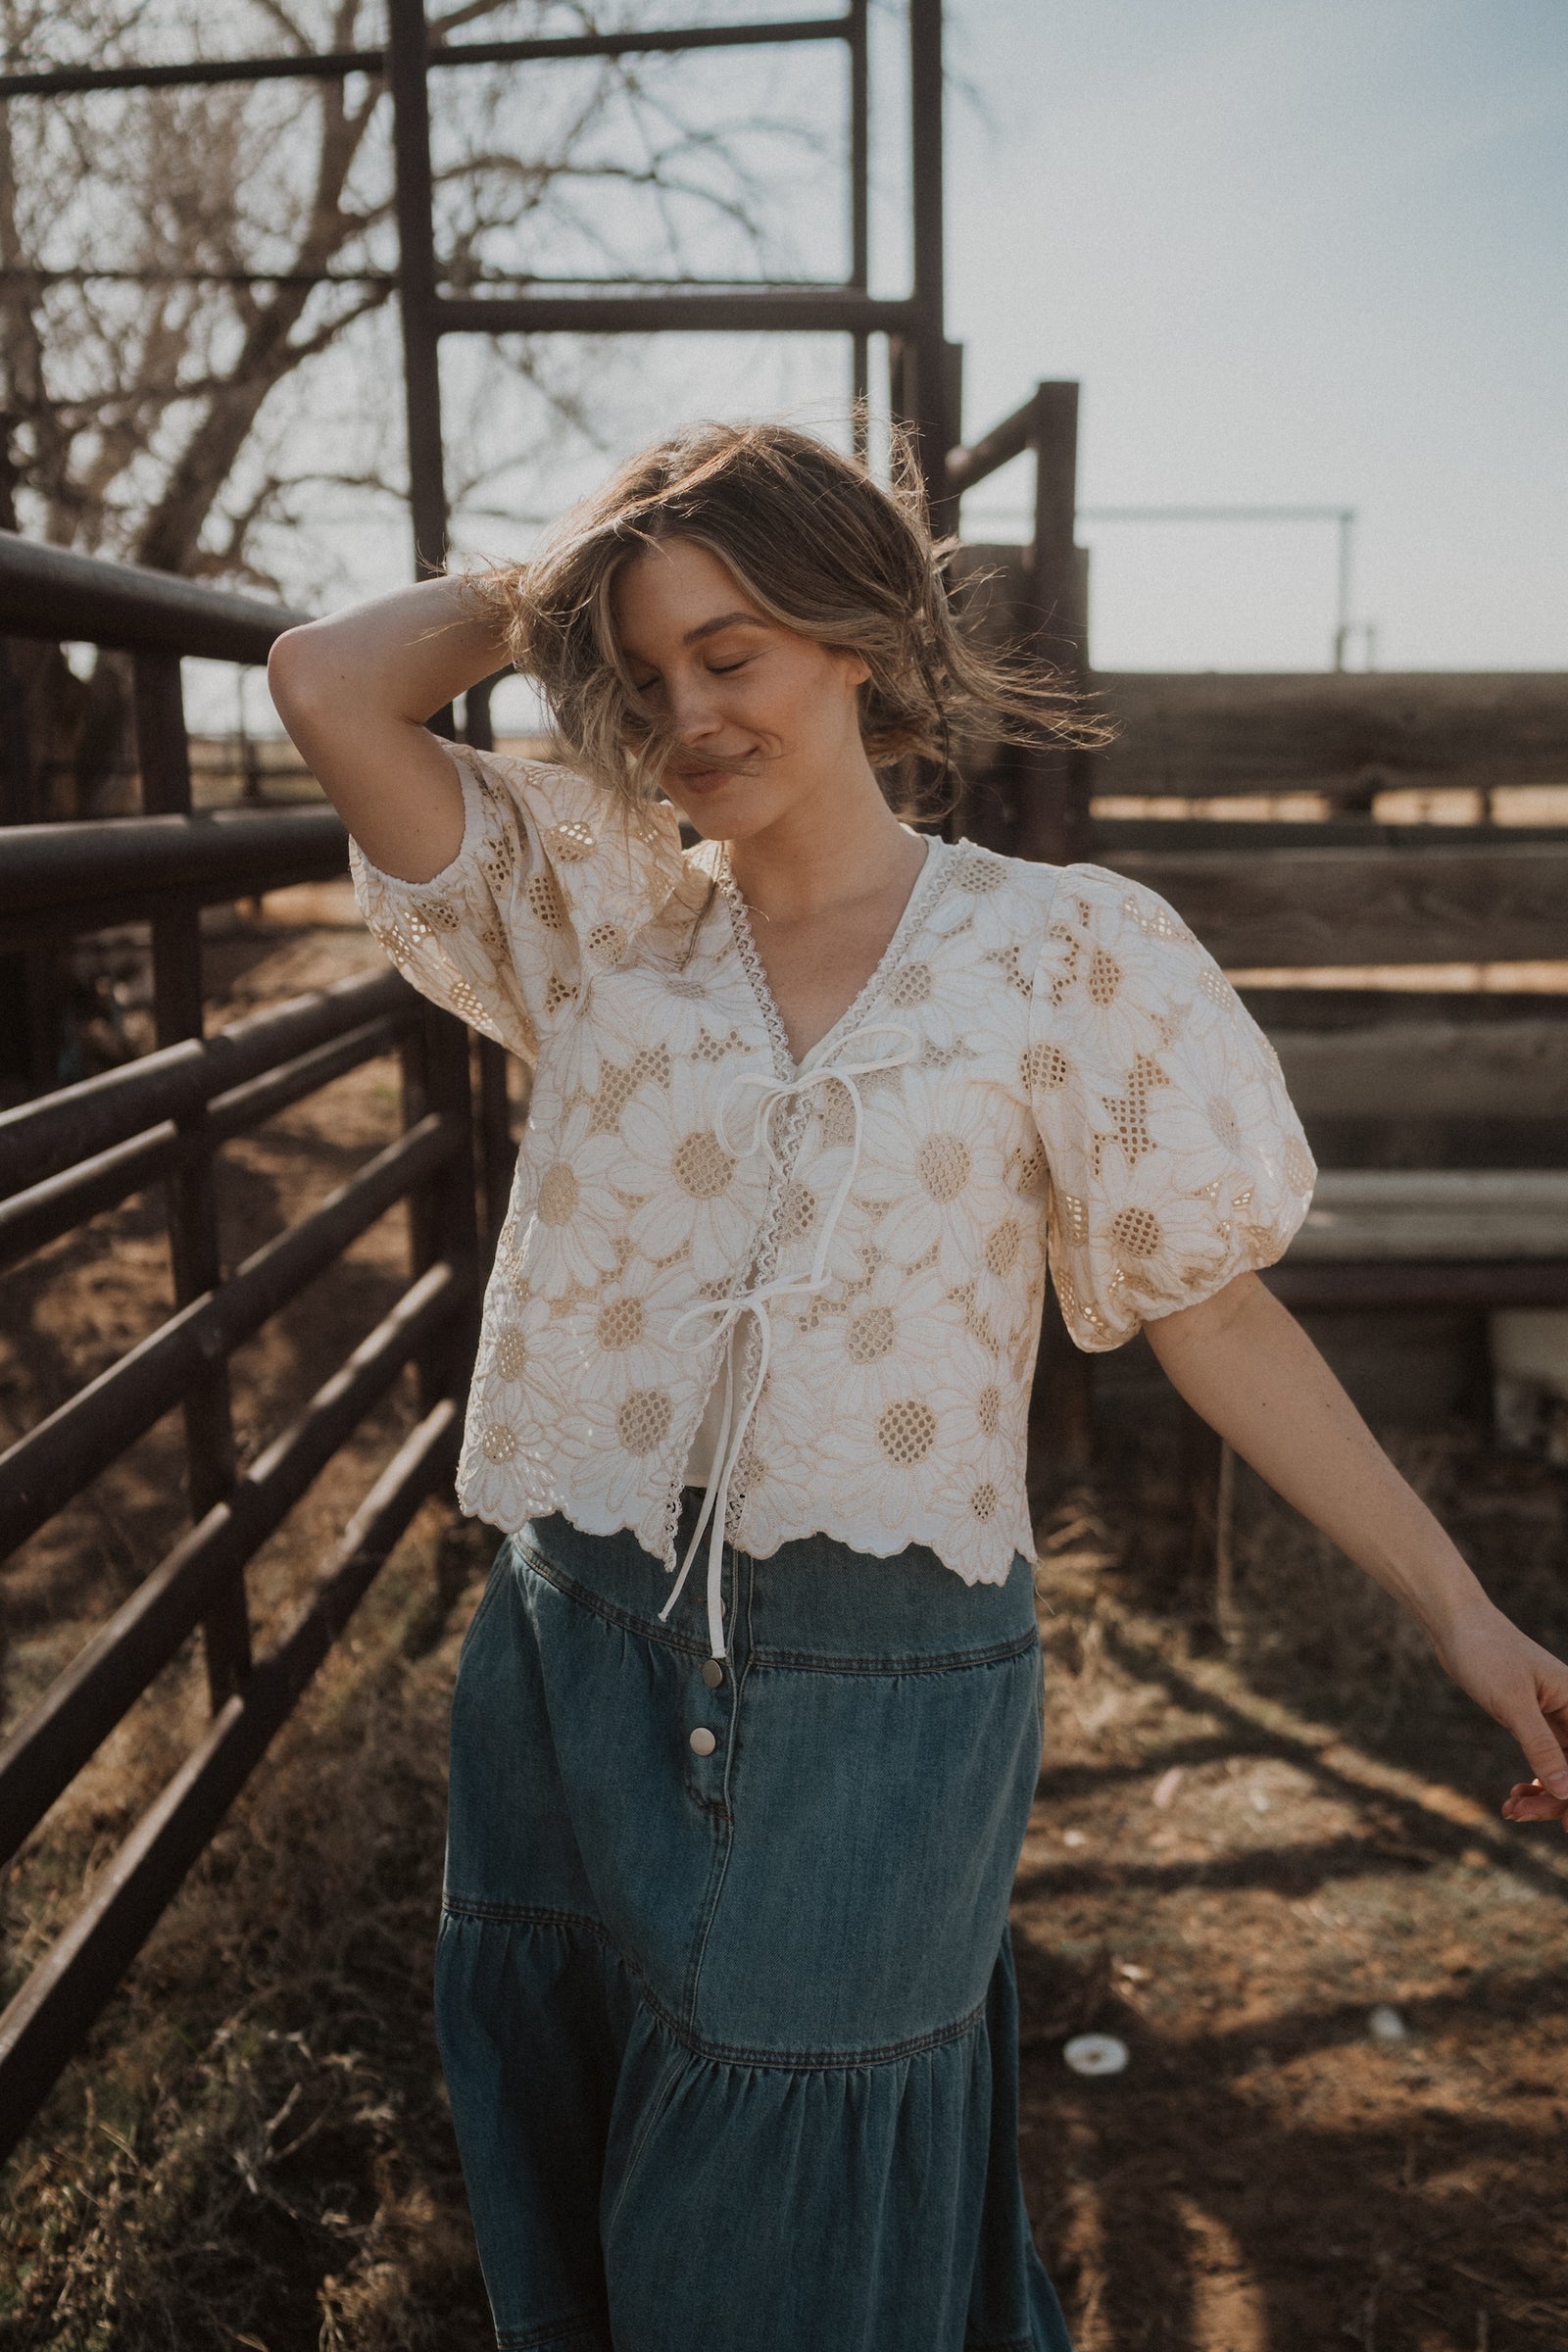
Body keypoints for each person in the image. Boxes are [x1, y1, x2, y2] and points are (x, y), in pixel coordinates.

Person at [268, 419, 1568, 2352]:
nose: (688, 711)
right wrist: (591, 553)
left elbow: (1209, 1315)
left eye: (736, 650)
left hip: (885, 1681)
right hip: (577, 1638)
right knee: (572, 2132)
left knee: (780, 2210)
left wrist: (1450, 1605)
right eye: (642, 670)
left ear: (856, 639)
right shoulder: (599, 916)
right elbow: (325, 681)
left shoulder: (1063, 958)